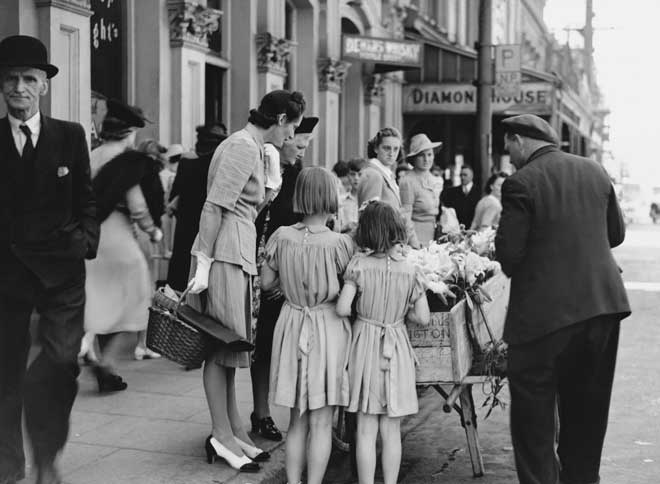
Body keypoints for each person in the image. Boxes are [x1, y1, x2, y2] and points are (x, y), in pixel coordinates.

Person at [495, 114, 631, 484]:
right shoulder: (595, 171)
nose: (507, 153)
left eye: (508, 145)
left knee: (534, 422)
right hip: (601, 308)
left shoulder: (521, 183)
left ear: (521, 141)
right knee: (587, 413)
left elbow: (509, 256)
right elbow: (615, 235)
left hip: (542, 318)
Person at [186, 90, 306, 473]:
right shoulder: (242, 146)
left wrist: (272, 179)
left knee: (232, 348)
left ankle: (234, 427)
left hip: (234, 251)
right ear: (282, 119)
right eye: (293, 129)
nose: (292, 140)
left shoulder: (252, 146)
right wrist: (203, 262)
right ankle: (221, 434)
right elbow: (215, 206)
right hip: (224, 253)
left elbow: (244, 205)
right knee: (220, 347)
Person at [0, 35, 100, 484]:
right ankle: (8, 464)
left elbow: (86, 198)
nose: (18, 87)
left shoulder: (69, 135)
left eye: (28, 79)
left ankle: (46, 454)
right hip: (7, 275)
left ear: (43, 85)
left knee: (60, 365)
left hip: (62, 274)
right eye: (10, 79)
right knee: (4, 373)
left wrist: (85, 241)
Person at [262, 167, 355, 484]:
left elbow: (265, 282)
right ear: (330, 198)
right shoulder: (339, 244)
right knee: (321, 419)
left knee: (296, 418)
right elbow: (353, 286)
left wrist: (290, 287)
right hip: (326, 327)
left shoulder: (281, 237)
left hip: (291, 323)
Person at [336, 200, 430, 484]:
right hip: (397, 345)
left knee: (365, 429)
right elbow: (423, 317)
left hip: (365, 344)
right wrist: (402, 313)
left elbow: (341, 308)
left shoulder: (359, 266)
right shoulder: (411, 271)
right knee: (391, 430)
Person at [250, 116, 319, 442]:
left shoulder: (301, 176)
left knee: (291, 347)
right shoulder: (268, 171)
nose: (302, 150)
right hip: (267, 269)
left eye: (305, 145)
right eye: (298, 143)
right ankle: (260, 412)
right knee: (263, 346)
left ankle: (293, 411)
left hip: (295, 273)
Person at [85, 146, 165, 391]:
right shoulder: (129, 173)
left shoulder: (100, 170)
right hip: (120, 239)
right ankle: (104, 358)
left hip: (95, 239)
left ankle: (102, 364)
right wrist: (154, 231)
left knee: (102, 301)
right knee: (137, 300)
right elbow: (138, 208)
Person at [166, 124, 227, 291]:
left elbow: (174, 197)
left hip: (185, 227)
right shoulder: (219, 164)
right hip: (209, 228)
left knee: (181, 276)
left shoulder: (186, 163)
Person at [358, 127, 420, 248]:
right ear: (376, 148)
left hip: (391, 243)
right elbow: (369, 219)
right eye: (386, 148)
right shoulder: (373, 175)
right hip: (379, 247)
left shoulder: (387, 175)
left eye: (395, 149)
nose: (392, 153)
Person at [399, 133, 443, 246]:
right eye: (421, 155)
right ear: (414, 158)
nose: (426, 159)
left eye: (429, 154)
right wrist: (414, 242)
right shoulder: (408, 181)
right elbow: (405, 217)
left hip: (434, 237)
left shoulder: (436, 180)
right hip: (416, 238)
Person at [440, 164, 480, 228]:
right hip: (457, 228)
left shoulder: (479, 192)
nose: (462, 177)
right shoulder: (452, 192)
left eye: (465, 175)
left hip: (473, 228)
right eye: (461, 175)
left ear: (472, 176)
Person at [332, 160, 359, 232]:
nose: (356, 178)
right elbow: (335, 229)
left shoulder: (370, 201)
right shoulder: (340, 201)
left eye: (360, 174)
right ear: (348, 176)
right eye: (352, 174)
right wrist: (345, 227)